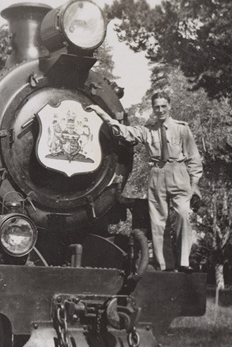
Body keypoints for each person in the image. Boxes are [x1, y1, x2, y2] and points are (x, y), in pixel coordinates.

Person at [87, 91, 203, 272]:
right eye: (157, 107)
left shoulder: (182, 129)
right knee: (158, 222)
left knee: (182, 215)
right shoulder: (148, 130)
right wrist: (101, 114)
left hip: (179, 173)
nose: (160, 110)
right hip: (157, 174)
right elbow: (124, 132)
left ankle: (183, 262)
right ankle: (165, 265)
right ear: (153, 108)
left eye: (164, 106)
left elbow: (194, 158)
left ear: (169, 106)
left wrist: (194, 184)